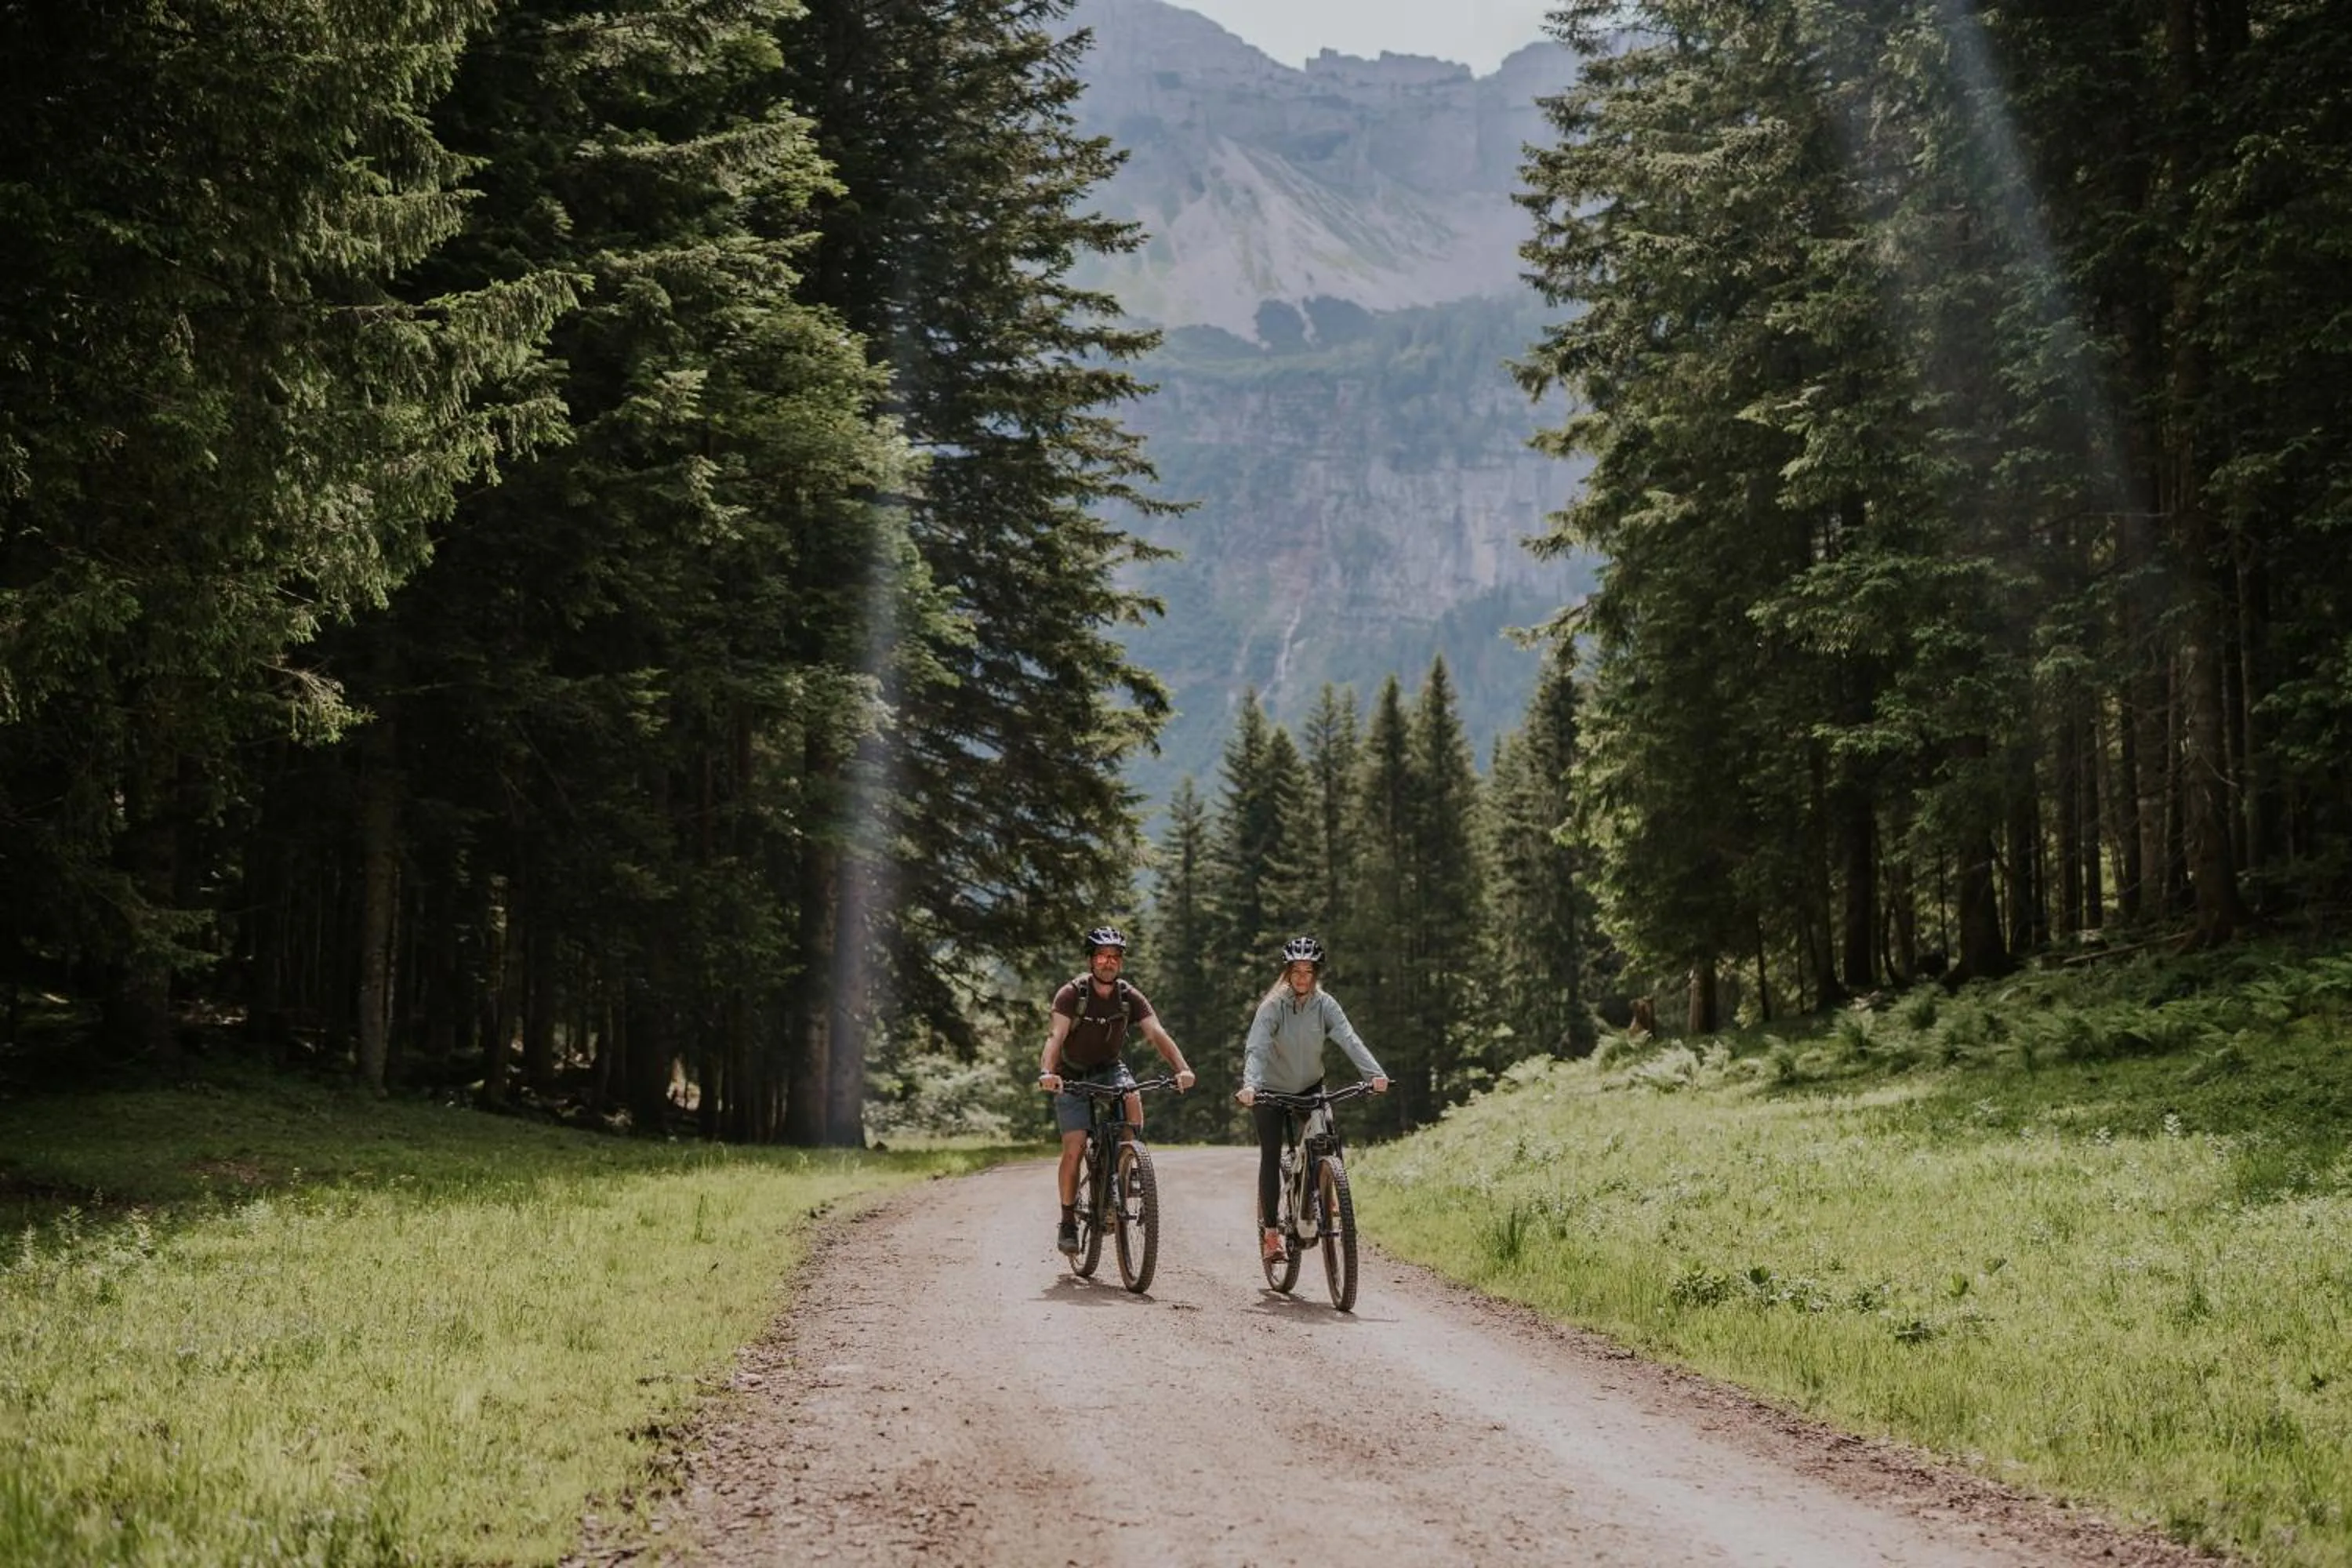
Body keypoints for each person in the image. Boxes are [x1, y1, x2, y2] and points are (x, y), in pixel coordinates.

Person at [1038, 926, 1195, 1254]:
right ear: (1091, 960)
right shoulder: (1072, 994)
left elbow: (1156, 1033)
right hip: (1072, 1074)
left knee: (1133, 1094)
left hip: (1109, 1069)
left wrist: (1181, 1068)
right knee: (1075, 1146)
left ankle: (1128, 1163)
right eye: (1102, 956)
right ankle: (1068, 1220)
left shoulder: (1128, 996)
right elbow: (1055, 1037)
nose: (1108, 962)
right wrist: (1048, 1072)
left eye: (1114, 957)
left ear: (1120, 962)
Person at [1236, 935, 1388, 1264]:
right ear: (1287, 972)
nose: (1302, 978)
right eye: (1297, 971)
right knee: (1271, 1153)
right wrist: (1251, 1085)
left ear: (1315, 973)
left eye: (1309, 971)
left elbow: (1348, 1038)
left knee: (1327, 1131)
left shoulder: (1325, 1004)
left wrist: (1374, 1074)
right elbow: (1257, 1048)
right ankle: (1272, 1235)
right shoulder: (1273, 1006)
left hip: (1309, 1086)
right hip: (1269, 1090)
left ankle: (1328, 1188)